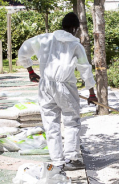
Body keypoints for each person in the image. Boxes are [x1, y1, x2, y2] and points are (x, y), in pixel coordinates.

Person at [18, 13, 97, 170]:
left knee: (50, 123)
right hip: (65, 86)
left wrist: (30, 71)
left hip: (45, 86)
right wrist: (92, 93)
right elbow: (85, 69)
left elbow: (23, 51)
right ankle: (72, 158)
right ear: (75, 28)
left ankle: (58, 162)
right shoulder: (75, 46)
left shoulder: (43, 39)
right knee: (71, 121)